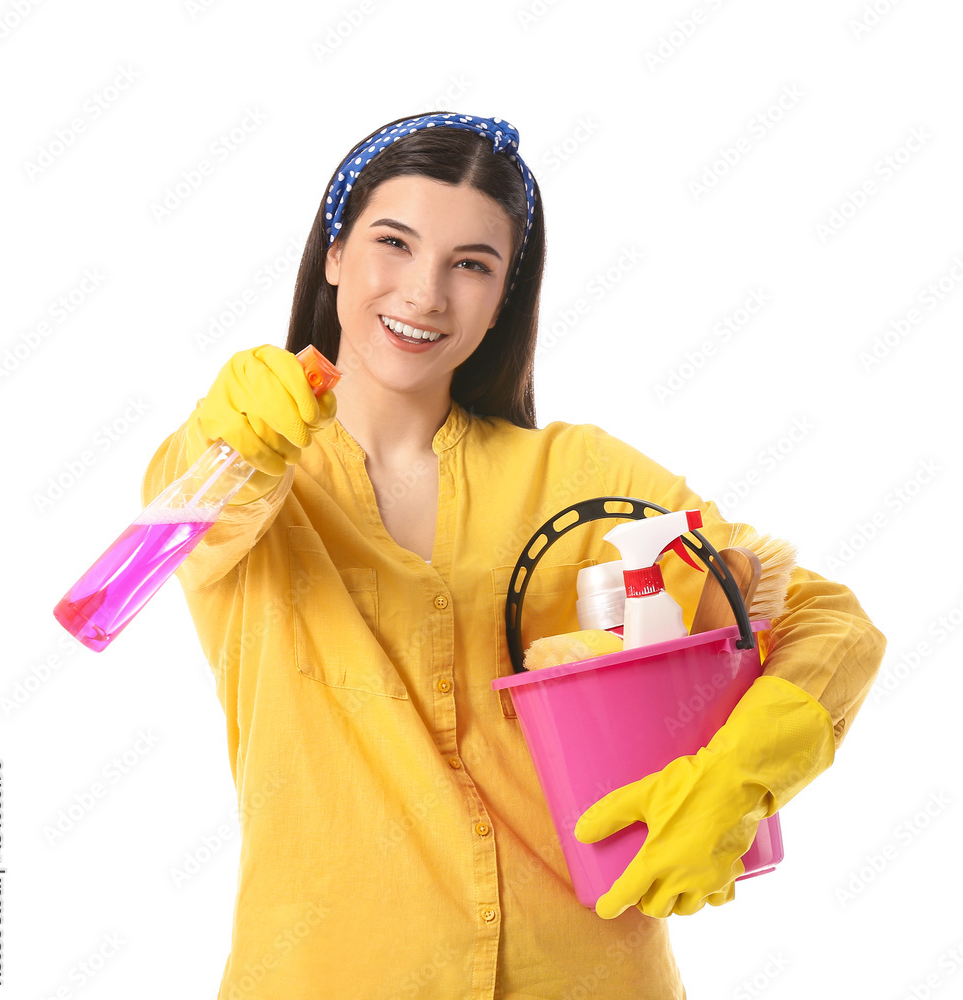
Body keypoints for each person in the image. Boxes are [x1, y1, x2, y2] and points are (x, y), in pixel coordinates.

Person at [142, 112, 886, 999]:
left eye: (471, 265)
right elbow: (184, 525)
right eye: (393, 243)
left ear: (503, 299)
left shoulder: (575, 475)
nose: (424, 294)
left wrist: (738, 778)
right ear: (334, 253)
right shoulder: (237, 468)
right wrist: (234, 444)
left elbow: (823, 617)